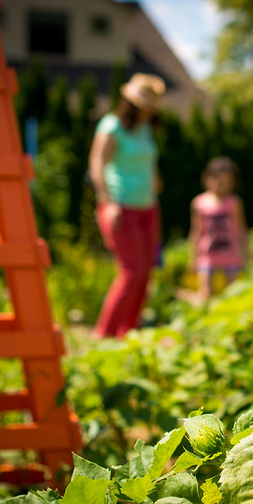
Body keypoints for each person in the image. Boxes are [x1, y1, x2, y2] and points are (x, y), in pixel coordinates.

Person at [89, 73, 165, 338]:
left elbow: (146, 160)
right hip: (121, 207)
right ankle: (104, 334)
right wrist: (107, 202)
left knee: (146, 273)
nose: (149, 112)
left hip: (148, 207)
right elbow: (97, 165)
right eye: (145, 107)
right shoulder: (112, 126)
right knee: (131, 272)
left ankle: (129, 332)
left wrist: (154, 180)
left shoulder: (145, 128)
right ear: (132, 105)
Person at [188, 156, 250, 302]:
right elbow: (196, 231)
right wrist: (193, 256)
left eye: (226, 182)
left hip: (230, 255)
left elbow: (241, 228)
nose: (221, 185)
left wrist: (246, 251)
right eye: (218, 180)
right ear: (207, 179)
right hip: (207, 255)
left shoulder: (234, 202)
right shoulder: (199, 203)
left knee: (233, 294)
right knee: (205, 293)